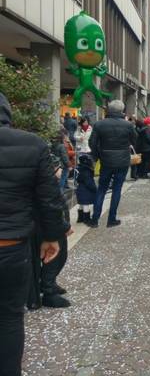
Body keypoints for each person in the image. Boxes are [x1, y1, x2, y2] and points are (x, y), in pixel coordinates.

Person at [0, 92, 72, 375]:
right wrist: (52, 236)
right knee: (9, 319)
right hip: (11, 247)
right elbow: (49, 198)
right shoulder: (32, 144)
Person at [89, 100, 137, 228]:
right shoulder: (128, 125)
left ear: (109, 110)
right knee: (116, 190)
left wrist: (98, 155)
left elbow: (92, 143)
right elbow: (135, 140)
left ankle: (95, 219)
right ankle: (111, 219)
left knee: (102, 189)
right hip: (122, 160)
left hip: (106, 160)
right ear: (121, 111)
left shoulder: (99, 124)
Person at [75, 153, 97, 225]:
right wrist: (95, 189)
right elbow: (89, 183)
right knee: (85, 204)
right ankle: (86, 219)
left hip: (79, 189)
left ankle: (80, 218)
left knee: (81, 204)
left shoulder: (79, 169)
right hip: (85, 190)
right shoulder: (86, 171)